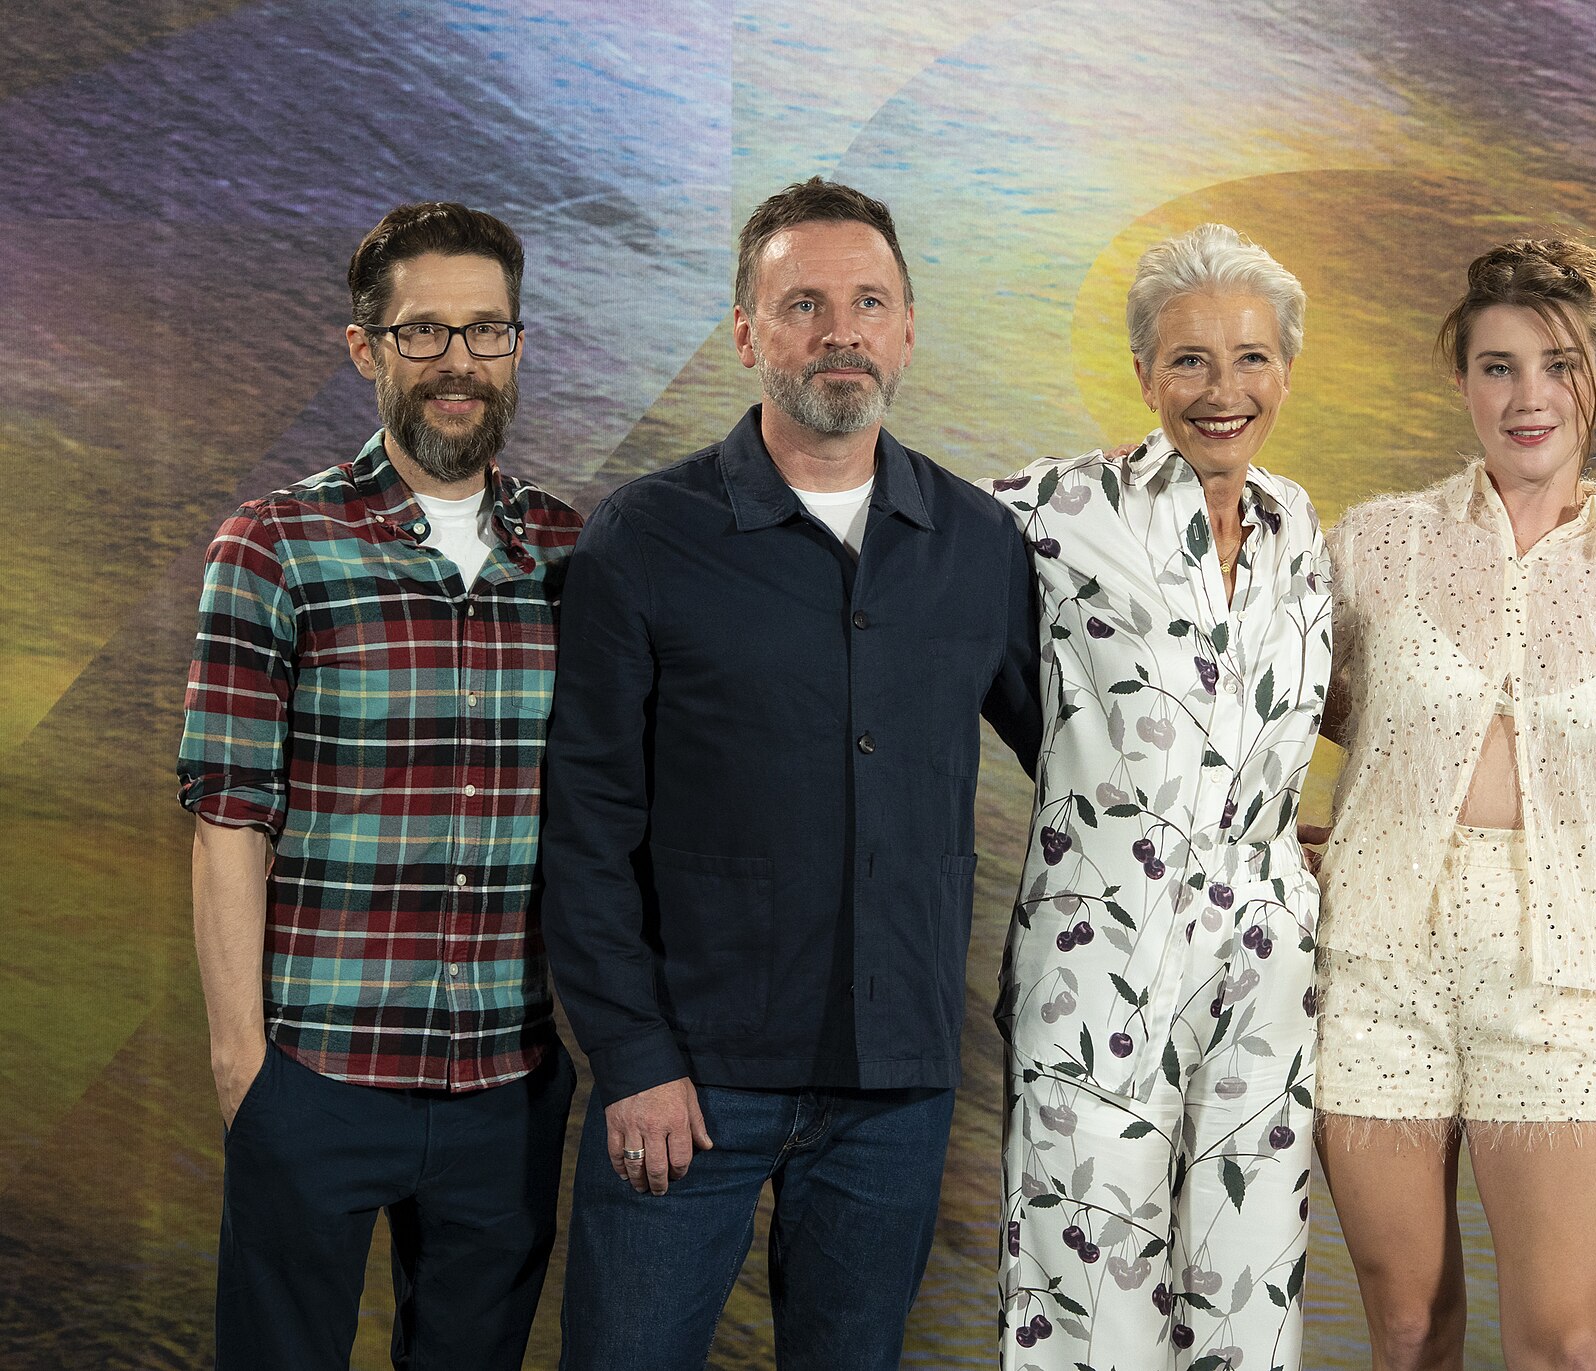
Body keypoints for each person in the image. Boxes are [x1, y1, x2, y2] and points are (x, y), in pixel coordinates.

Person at [539, 176, 1043, 1371]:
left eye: (870, 301)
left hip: (897, 1085)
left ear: (908, 328)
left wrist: (1257, 818)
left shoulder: (979, 547)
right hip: (689, 1085)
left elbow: (1089, 756)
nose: (841, 330)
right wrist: (634, 1057)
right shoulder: (645, 539)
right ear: (748, 333)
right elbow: (587, 824)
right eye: (803, 303)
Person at [1310, 238, 1596, 1371]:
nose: (1527, 396)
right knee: (1408, 1330)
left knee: (1558, 1345)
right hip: (1377, 969)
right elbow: (1259, 700)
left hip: (1563, 984)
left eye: (1555, 364)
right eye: (1497, 367)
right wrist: (1274, 850)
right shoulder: (1376, 544)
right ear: (1462, 382)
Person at [178, 202, 581, 1369]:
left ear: (515, 346)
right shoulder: (276, 546)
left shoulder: (572, 553)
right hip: (316, 1073)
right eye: (424, 332)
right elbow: (228, 821)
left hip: (507, 1085)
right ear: (367, 348)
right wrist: (243, 1069)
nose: (458, 361)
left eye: (487, 331)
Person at [986, 223, 1329, 1371]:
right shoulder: (1057, 508)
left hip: (1266, 977)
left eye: (1250, 358)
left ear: (1286, 369)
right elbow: (889, 557)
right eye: (1190, 360)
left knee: (1248, 1293)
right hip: (1102, 968)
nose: (1222, 391)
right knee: (1087, 1302)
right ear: (1143, 375)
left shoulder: (1302, 531)